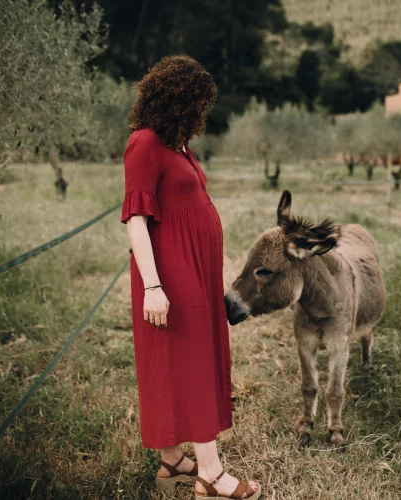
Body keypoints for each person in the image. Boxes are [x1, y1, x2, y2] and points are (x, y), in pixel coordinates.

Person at [121, 55, 261, 500]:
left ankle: (172, 461)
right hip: (170, 273)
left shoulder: (176, 144)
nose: (202, 112)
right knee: (192, 363)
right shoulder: (144, 143)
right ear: (177, 100)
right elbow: (136, 221)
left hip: (194, 270)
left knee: (173, 361)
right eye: (198, 102)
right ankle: (210, 475)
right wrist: (154, 287)